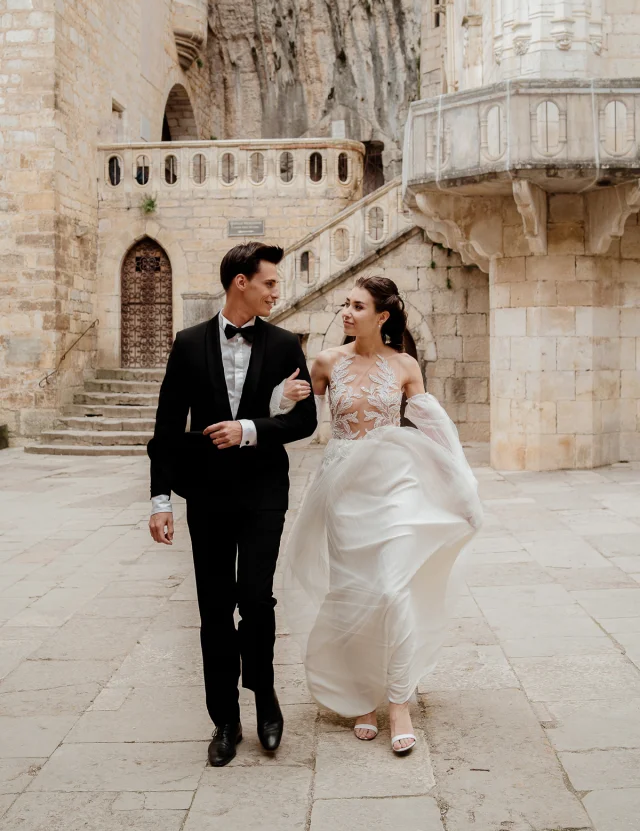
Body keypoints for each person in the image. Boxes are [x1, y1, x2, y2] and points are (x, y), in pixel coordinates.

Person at [283, 276, 483, 754]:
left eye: (358, 305)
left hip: (394, 486)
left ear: (382, 315)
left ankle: (398, 701)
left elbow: (436, 426)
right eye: (346, 304)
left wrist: (463, 486)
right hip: (343, 488)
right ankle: (360, 700)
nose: (347, 313)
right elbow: (294, 413)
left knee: (393, 591)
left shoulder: (406, 366)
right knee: (353, 593)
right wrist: (285, 397)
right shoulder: (328, 361)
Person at [147, 242, 317, 767]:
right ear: (240, 281)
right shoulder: (188, 343)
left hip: (265, 492)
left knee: (257, 598)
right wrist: (160, 500)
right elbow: (166, 429)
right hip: (209, 495)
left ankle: (264, 695)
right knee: (215, 608)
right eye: (269, 282)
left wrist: (249, 429)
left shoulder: (287, 344)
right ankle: (224, 719)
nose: (276, 291)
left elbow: (304, 421)